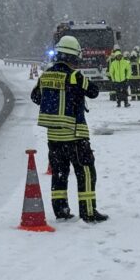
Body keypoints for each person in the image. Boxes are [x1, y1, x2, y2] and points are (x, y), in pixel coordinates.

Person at [31, 35, 108, 222]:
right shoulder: (75, 76)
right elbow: (94, 92)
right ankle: (88, 212)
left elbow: (35, 97)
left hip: (54, 136)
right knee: (86, 172)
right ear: (73, 57)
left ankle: (61, 210)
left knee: (59, 173)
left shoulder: (46, 75)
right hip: (75, 135)